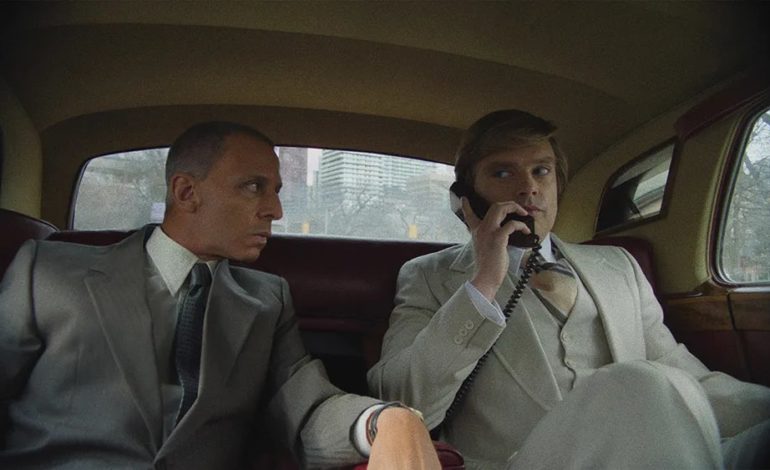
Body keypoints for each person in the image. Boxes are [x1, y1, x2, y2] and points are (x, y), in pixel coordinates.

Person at [0, 122, 440, 470]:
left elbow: (307, 408)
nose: (275, 210)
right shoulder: (50, 270)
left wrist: (385, 420)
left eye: (276, 191)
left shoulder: (267, 301)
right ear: (186, 192)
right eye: (253, 187)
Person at [367, 109, 770, 469]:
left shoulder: (619, 266)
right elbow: (402, 399)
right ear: (466, 198)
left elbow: (687, 381)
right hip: (523, 461)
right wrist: (484, 283)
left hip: (651, 451)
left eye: (541, 171)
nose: (528, 188)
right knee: (640, 383)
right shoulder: (429, 276)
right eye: (502, 173)